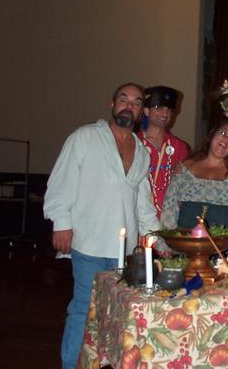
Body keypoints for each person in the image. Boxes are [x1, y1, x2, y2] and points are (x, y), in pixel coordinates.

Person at [44, 83, 161, 369]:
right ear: (112, 104)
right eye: (124, 99)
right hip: (89, 241)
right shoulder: (85, 137)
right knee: (84, 308)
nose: (129, 106)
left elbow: (142, 201)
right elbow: (62, 180)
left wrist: (156, 237)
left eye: (136, 102)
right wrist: (61, 223)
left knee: (115, 312)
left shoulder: (141, 151)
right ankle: (70, 364)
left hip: (124, 250)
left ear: (141, 111)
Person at [161, 120, 228, 251]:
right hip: (185, 247)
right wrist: (166, 246)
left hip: (223, 250)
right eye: (222, 133)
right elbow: (169, 209)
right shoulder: (185, 168)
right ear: (212, 134)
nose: (225, 139)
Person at [137, 86, 189, 219]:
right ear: (146, 110)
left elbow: (185, 185)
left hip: (170, 217)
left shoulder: (179, 146)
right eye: (159, 108)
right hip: (138, 215)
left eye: (169, 109)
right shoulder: (134, 143)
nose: (165, 114)